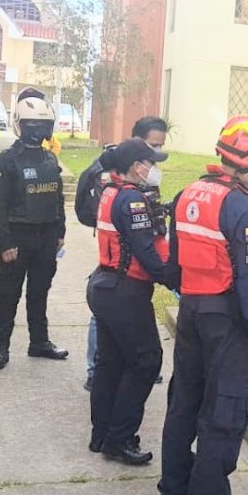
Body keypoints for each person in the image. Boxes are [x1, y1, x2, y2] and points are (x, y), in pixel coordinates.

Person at [158, 115, 248, 495]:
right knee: (224, 413)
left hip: (192, 311)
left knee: (184, 403)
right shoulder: (245, 211)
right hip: (227, 320)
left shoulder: (186, 194)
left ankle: (173, 494)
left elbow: (174, 263)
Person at [87, 139, 175, 465]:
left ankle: (102, 434)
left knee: (111, 362)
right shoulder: (133, 201)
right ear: (137, 165)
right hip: (125, 292)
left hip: (105, 286)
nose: (154, 168)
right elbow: (147, 252)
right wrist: (174, 278)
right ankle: (120, 438)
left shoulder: (111, 190)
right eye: (151, 162)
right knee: (146, 361)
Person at [76, 116, 170, 391]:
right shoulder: (121, 187)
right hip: (121, 277)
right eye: (152, 148)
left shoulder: (131, 183)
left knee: (112, 359)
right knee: (139, 358)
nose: (155, 160)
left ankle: (106, 426)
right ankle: (117, 425)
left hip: (116, 277)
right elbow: (138, 239)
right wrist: (170, 277)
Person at [0, 90, 69, 371]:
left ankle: (39, 342)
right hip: (16, 238)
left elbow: (57, 198)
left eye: (43, 126)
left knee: (39, 292)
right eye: (32, 125)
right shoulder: (6, 161)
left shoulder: (50, 160)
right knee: (9, 295)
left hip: (45, 237)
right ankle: (1, 348)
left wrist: (60, 233)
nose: (38, 131)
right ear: (20, 125)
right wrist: (5, 242)